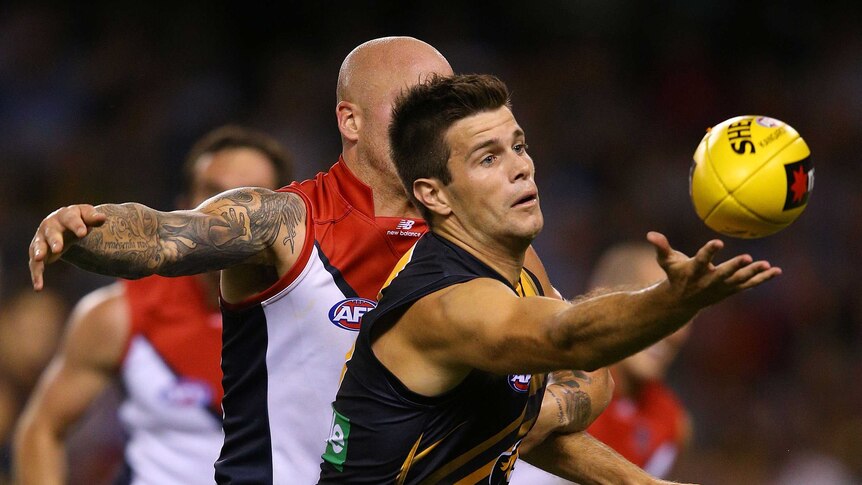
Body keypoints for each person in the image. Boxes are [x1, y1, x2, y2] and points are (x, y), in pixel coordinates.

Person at [28, 37, 658, 484]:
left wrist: (515, 420)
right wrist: (84, 230)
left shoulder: (476, 239)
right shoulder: (287, 220)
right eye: (415, 99)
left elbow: (586, 375)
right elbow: (166, 236)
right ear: (349, 119)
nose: (432, 116)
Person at [317, 73, 780, 484]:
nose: (521, 166)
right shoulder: (444, 303)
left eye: (518, 146)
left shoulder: (518, 271)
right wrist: (675, 300)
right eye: (487, 159)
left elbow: (574, 390)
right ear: (434, 194)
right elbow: (569, 339)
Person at [13, 125, 293, 485]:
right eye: (214, 194)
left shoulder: (322, 310)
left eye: (250, 200)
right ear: (182, 208)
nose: (229, 216)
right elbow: (42, 429)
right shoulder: (118, 314)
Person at [512, 242, 694, 484]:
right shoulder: (536, 379)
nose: (670, 330)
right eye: (654, 304)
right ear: (606, 302)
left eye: (683, 312)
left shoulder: (674, 424)